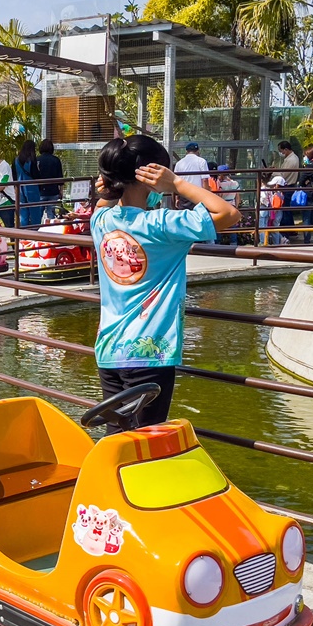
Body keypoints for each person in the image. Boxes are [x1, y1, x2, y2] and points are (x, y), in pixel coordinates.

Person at [89, 135, 240, 434]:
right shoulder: (162, 225)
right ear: (151, 177)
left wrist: (107, 186)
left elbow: (102, 204)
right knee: (146, 439)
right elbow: (228, 213)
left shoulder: (101, 222)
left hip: (109, 350)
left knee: (118, 436)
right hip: (150, 354)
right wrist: (178, 185)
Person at [13, 139, 42, 227]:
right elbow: (35, 175)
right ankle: (35, 230)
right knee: (35, 211)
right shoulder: (32, 160)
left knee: (23, 212)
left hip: (20, 188)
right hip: (31, 188)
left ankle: (23, 231)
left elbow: (14, 175)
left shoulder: (16, 160)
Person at [36, 139, 64, 208]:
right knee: (52, 213)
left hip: (40, 191)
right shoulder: (56, 160)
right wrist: (61, 191)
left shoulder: (37, 160)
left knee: (38, 214)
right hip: (53, 191)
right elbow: (60, 177)